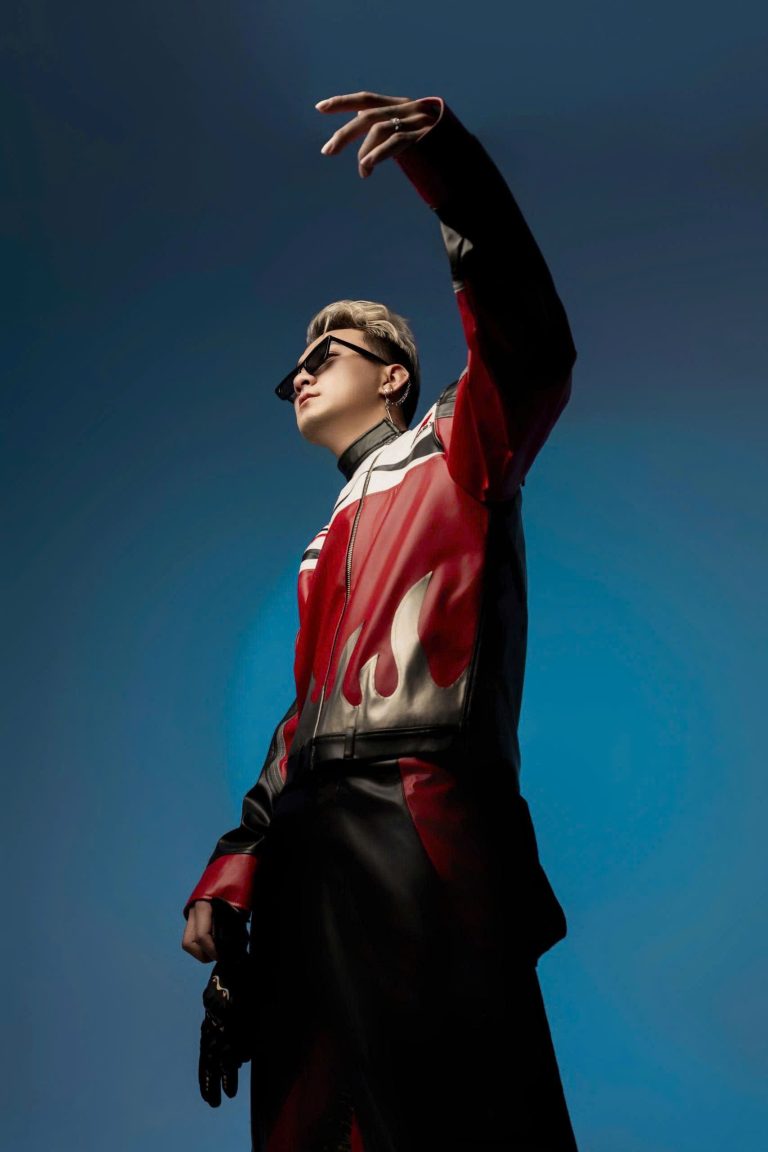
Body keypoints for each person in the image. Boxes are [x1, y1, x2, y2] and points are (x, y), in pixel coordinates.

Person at [182, 90, 580, 1152]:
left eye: (328, 353)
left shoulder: (458, 452)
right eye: (293, 369)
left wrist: (452, 172)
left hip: (418, 818)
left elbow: (532, 348)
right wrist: (237, 874)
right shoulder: (326, 542)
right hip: (312, 849)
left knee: (450, 1109)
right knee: (312, 1122)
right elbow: (301, 721)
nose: (302, 374)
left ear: (394, 376)